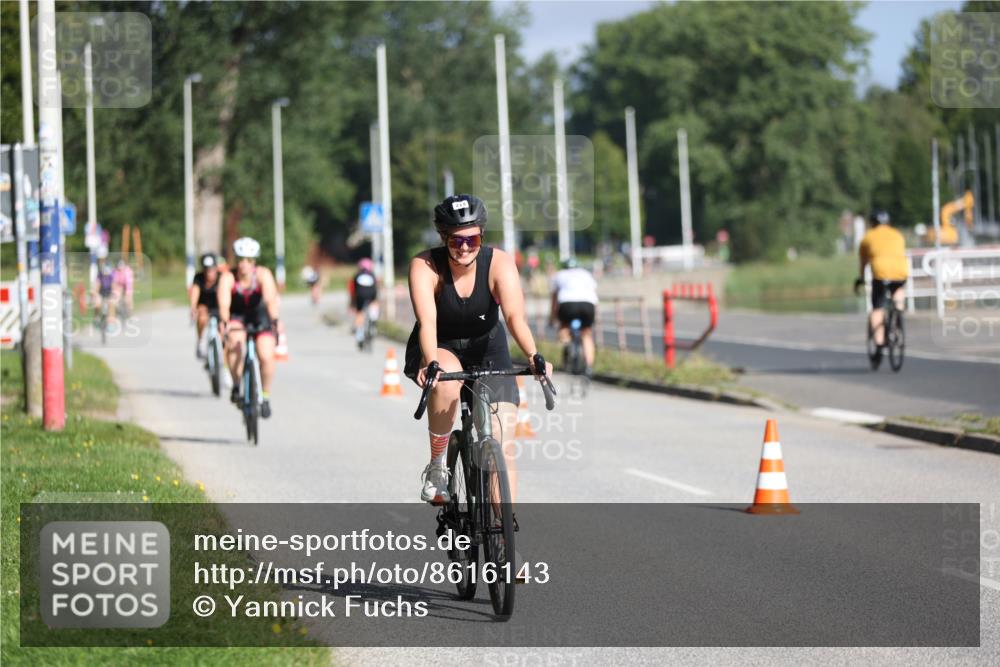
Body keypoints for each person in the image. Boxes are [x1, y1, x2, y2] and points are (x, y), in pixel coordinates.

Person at [404, 194, 551, 505]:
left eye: (472, 238)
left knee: (502, 444)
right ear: (443, 237)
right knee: (445, 385)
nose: (465, 246)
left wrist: (533, 356)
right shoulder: (425, 265)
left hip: (488, 346)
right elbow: (427, 322)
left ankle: (504, 533)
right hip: (440, 344)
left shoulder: (498, 262)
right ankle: (438, 467)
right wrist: (431, 362)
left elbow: (514, 317)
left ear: (481, 235)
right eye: (456, 240)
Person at [217, 237, 282, 419]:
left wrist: (274, 320)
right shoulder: (228, 277)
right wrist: (225, 323)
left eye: (249, 260)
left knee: (266, 356)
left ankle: (266, 395)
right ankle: (237, 385)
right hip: (237, 316)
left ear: (254, 262)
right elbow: (224, 304)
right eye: (241, 259)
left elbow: (270, 299)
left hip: (259, 315)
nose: (244, 264)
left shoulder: (263, 274)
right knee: (234, 343)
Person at [855, 209, 908, 350]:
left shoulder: (868, 237)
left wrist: (861, 278)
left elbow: (863, 261)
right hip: (900, 272)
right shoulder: (897, 234)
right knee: (898, 290)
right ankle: (898, 314)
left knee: (877, 307)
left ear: (872, 222)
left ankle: (879, 342)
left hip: (881, 273)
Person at [550, 257, 599, 376]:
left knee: (564, 326)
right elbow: (594, 296)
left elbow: (554, 299)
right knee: (586, 335)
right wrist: (596, 316)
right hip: (587, 305)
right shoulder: (586, 274)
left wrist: (553, 317)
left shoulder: (559, 275)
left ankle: (566, 343)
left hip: (567, 304)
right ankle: (588, 367)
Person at [190, 253, 222, 359]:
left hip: (218, 306)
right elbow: (195, 292)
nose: (209, 273)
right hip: (204, 305)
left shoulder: (221, 278)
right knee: (202, 316)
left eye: (212, 270)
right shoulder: (199, 278)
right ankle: (200, 341)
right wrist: (193, 307)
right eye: (207, 270)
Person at [349, 258, 379, 349]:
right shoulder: (372, 275)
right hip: (371, 294)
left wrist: (352, 302)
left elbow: (353, 290)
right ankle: (373, 321)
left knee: (360, 313)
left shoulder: (356, 275)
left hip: (360, 295)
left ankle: (359, 335)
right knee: (374, 303)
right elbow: (376, 288)